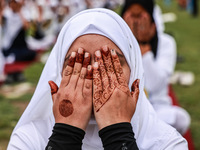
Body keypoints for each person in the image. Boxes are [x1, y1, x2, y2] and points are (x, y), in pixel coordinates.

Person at [7, 8, 188, 150]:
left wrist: (118, 133)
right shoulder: (29, 139)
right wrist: (65, 136)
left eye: (112, 62)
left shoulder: (167, 143)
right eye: (77, 63)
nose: (95, 77)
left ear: (135, 74)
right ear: (58, 74)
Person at [122, 0, 191, 135]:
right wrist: (129, 42)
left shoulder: (166, 43)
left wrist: (143, 47)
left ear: (151, 18)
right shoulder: (116, 42)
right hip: (126, 109)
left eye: (140, 16)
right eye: (132, 16)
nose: (136, 22)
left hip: (157, 107)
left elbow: (154, 85)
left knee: (181, 118)